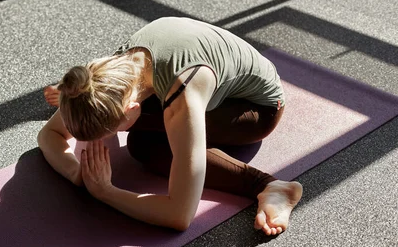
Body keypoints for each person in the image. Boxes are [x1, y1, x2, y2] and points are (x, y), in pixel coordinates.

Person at [37, 17, 302, 234]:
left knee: (146, 148)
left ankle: (270, 186)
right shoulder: (100, 79)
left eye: (109, 133)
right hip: (202, 74)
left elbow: (179, 215)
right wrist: (76, 174)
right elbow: (48, 134)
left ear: (132, 110)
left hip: (254, 108)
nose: (99, 142)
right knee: (141, 143)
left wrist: (105, 191)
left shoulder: (182, 93)